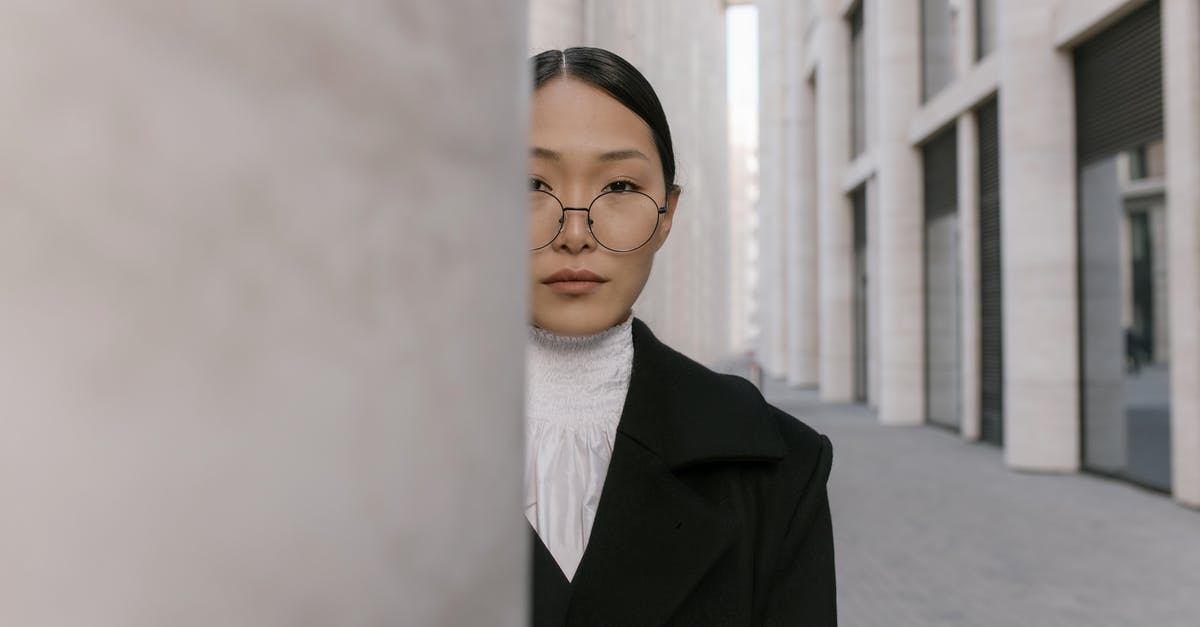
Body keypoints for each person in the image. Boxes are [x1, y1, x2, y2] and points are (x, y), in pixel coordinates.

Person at [525, 46, 836, 626]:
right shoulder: (367, 448)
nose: (573, 232)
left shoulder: (778, 463)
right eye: (530, 183)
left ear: (667, 214)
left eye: (618, 186)